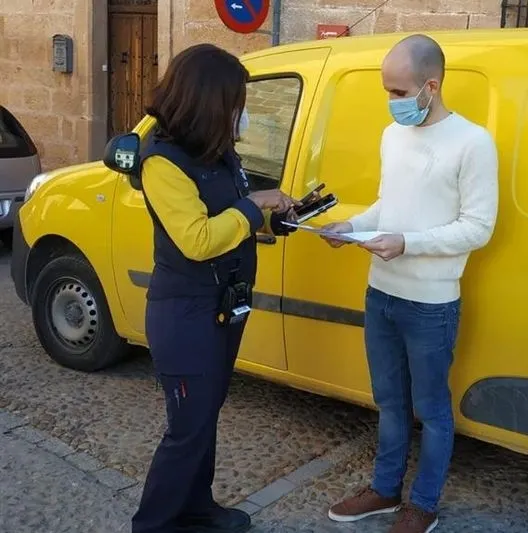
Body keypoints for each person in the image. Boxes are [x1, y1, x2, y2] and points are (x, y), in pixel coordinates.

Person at [322, 34, 499, 533]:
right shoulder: (392, 135)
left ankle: (423, 505)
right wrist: (351, 228)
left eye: (399, 93)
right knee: (389, 402)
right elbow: (389, 207)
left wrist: (407, 243)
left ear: (431, 85)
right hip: (381, 294)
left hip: (431, 303)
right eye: (387, 92)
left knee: (433, 410)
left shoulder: (473, 143)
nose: (392, 103)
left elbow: (478, 227)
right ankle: (383, 490)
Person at [131, 43, 301, 533]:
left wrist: (276, 218)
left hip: (225, 306)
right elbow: (198, 239)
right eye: (235, 103)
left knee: (205, 418)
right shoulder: (161, 161)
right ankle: (154, 524)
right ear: (209, 103)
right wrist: (254, 207)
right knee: (186, 430)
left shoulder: (217, 151)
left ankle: (196, 508)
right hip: (185, 314)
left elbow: (234, 213)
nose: (240, 113)